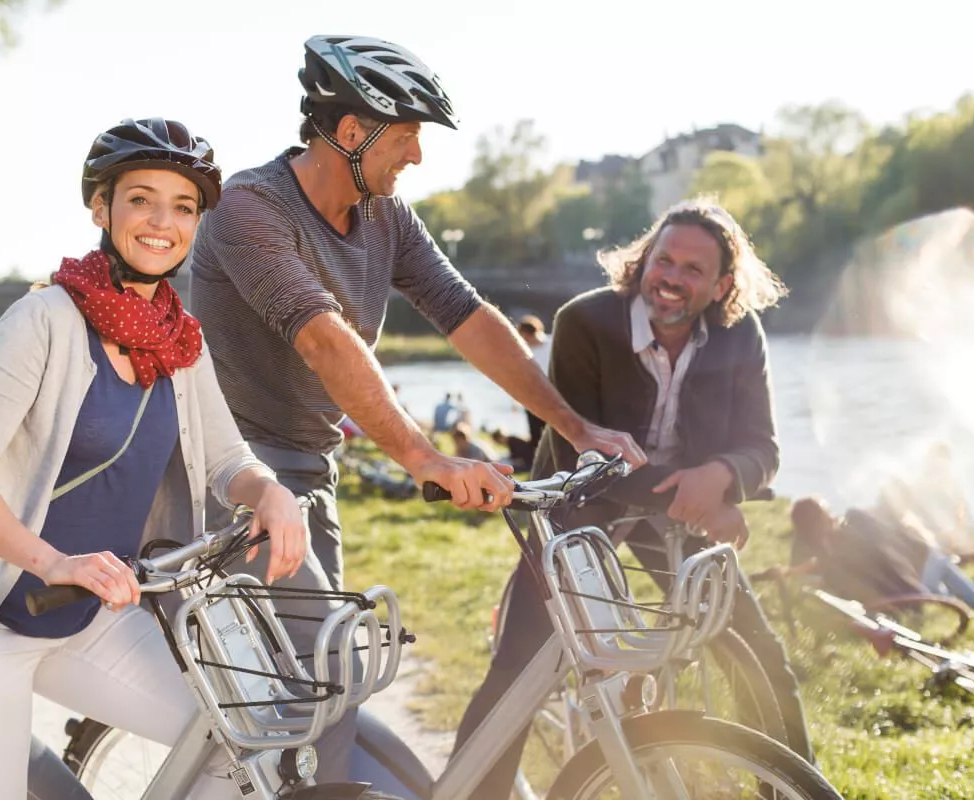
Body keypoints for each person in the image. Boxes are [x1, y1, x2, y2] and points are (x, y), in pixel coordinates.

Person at [186, 34, 644, 781]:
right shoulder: (250, 209)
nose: (418, 157)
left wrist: (578, 426)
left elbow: (467, 317)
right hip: (229, 469)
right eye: (407, 137)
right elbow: (324, 340)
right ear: (348, 132)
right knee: (319, 675)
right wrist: (423, 456)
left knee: (330, 679)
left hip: (308, 465)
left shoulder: (384, 217)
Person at [0, 118, 308, 800]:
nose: (161, 222)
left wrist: (268, 493)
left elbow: (228, 458)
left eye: (183, 207)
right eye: (141, 199)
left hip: (88, 620)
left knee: (242, 740)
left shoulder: (181, 341)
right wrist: (54, 561)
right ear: (101, 208)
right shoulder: (44, 320)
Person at [453, 198, 809, 797]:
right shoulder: (584, 322)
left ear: (723, 285)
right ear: (643, 260)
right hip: (575, 509)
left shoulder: (739, 334)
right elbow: (572, 452)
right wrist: (695, 496)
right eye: (663, 259)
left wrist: (722, 472)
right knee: (517, 674)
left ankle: (792, 786)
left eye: (693, 270)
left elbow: (762, 444)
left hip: (683, 513)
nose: (671, 277)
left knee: (761, 658)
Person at [790, 496, 974, 613]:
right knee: (940, 565)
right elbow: (889, 561)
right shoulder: (847, 535)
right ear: (820, 519)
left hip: (906, 581)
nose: (832, 514)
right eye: (827, 512)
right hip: (907, 583)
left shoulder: (824, 550)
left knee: (938, 568)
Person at [517, 314, 551, 447]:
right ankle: (537, 463)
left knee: (554, 432)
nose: (523, 339)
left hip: (554, 397)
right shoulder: (523, 351)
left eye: (524, 336)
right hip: (532, 399)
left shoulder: (553, 343)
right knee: (536, 435)